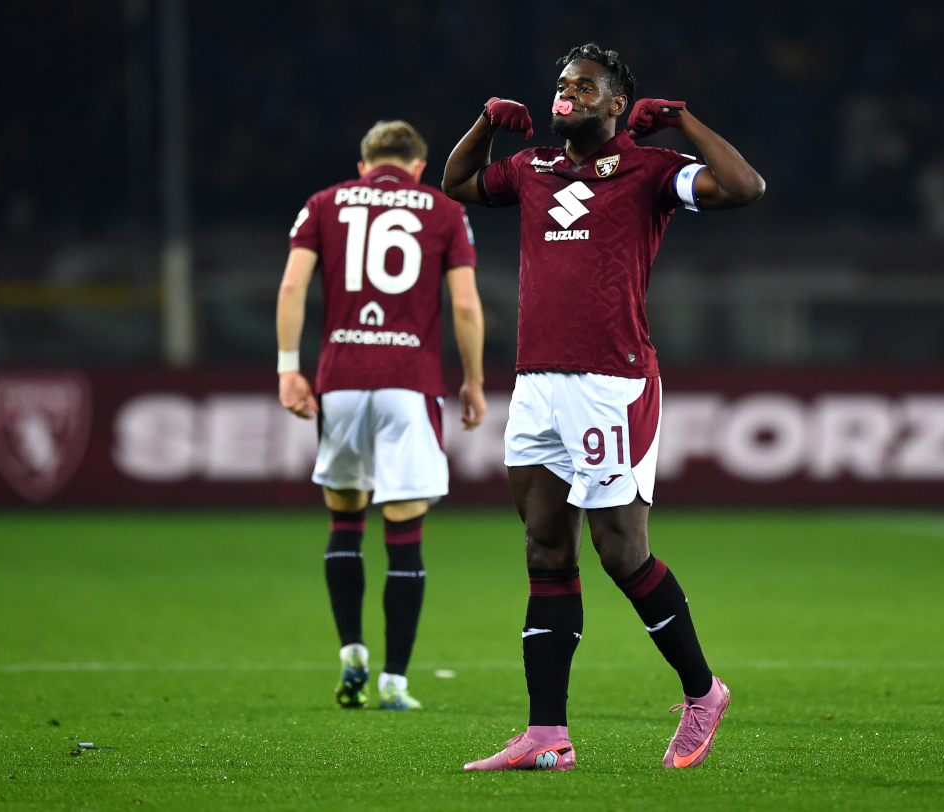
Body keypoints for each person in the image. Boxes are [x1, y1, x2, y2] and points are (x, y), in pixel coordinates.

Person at [442, 43, 764, 769]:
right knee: (544, 548)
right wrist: (485, 122)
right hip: (536, 384)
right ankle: (547, 735)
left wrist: (681, 121)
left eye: (586, 86)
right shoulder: (532, 169)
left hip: (610, 384)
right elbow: (457, 181)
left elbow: (744, 186)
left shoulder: (650, 170)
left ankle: (703, 690)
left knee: (621, 551)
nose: (568, 93)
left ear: (618, 105)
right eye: (562, 83)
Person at [276, 120, 487, 711]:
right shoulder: (443, 210)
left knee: (345, 521)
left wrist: (288, 368)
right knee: (404, 530)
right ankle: (394, 680)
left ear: (364, 163)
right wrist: (471, 379)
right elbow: (465, 303)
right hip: (409, 385)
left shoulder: (324, 203)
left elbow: (293, 288)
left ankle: (351, 653)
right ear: (417, 167)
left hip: (339, 382)